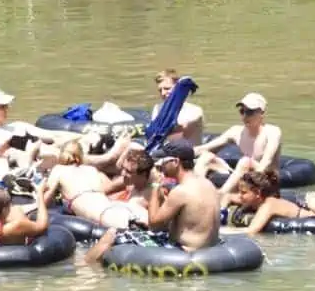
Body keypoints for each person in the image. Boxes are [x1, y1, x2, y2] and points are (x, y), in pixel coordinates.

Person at [85, 139, 220, 261]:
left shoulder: (181, 191)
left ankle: (86, 268)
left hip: (184, 251)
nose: (160, 165)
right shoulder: (208, 184)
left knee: (112, 233)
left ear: (176, 162)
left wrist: (155, 186)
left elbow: (154, 225)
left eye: (164, 161)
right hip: (207, 249)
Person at [42, 140, 147, 229]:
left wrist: (38, 193)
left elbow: (45, 201)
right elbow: (107, 189)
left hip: (103, 215)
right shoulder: (92, 170)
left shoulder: (59, 169)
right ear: (81, 155)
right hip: (116, 207)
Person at [0, 86, 77, 165]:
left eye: (7, 106)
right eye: (2, 106)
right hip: (29, 165)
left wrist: (83, 136)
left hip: (55, 155)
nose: (6, 109)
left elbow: (54, 135)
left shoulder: (18, 126)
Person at [222, 169, 315, 235]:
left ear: (257, 193)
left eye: (243, 192)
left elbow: (251, 231)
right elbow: (228, 197)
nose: (239, 195)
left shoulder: (269, 204)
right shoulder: (251, 200)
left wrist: (221, 231)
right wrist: (221, 216)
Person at [151, 69, 205, 144]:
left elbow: (179, 135)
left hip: (191, 152)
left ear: (178, 88)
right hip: (166, 151)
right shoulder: (158, 108)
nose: (163, 93)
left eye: (167, 88)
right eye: (160, 90)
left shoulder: (195, 111)